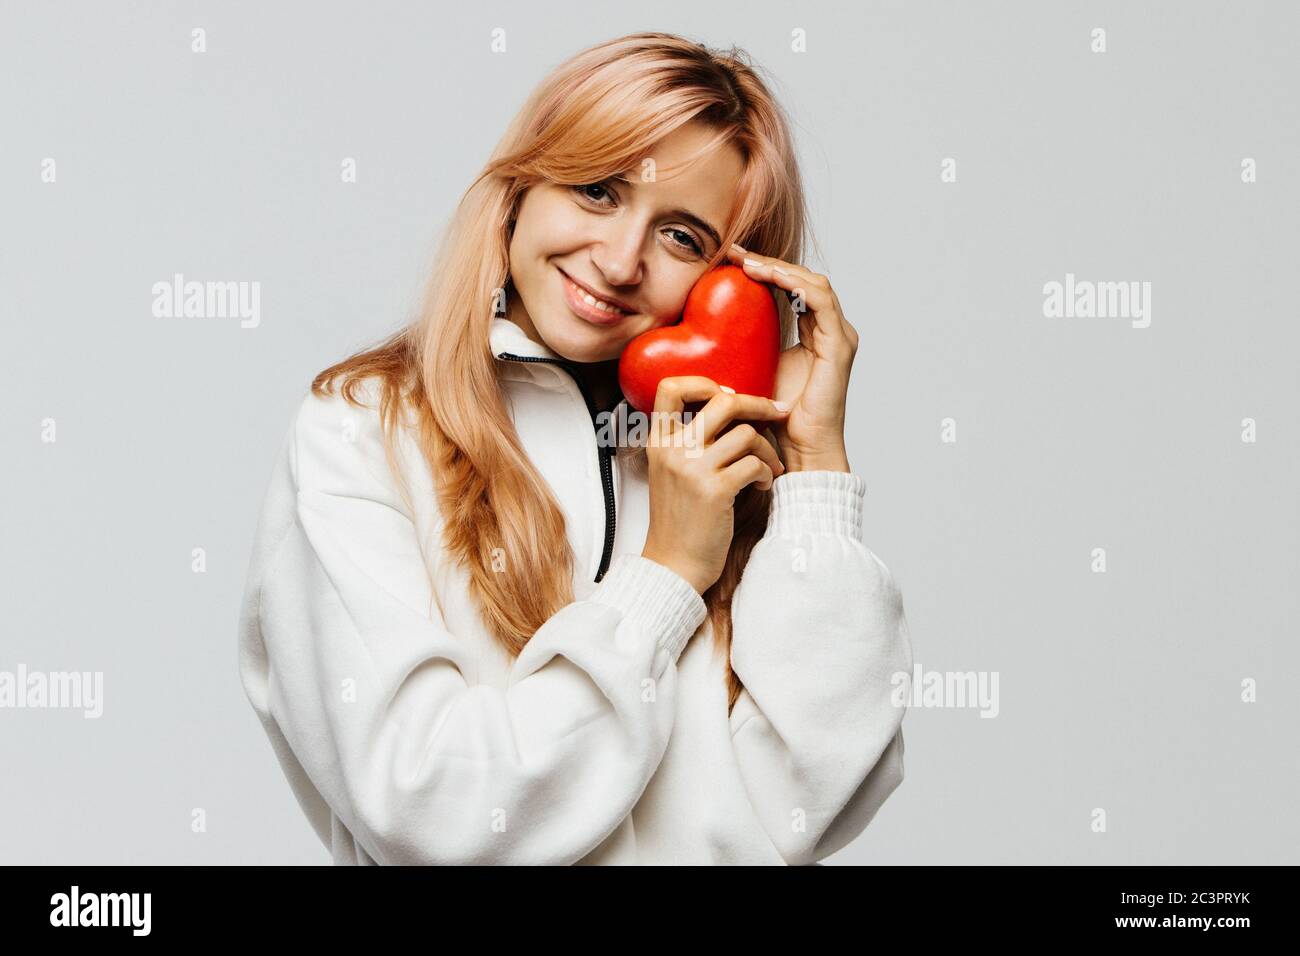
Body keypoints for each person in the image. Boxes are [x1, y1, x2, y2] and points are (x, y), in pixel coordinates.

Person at [236, 31, 913, 865]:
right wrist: (664, 579)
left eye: (683, 238)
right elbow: (430, 807)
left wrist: (816, 473)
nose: (620, 260)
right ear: (520, 191)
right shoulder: (362, 429)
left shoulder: (730, 472)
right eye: (597, 191)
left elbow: (817, 801)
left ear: (738, 280)